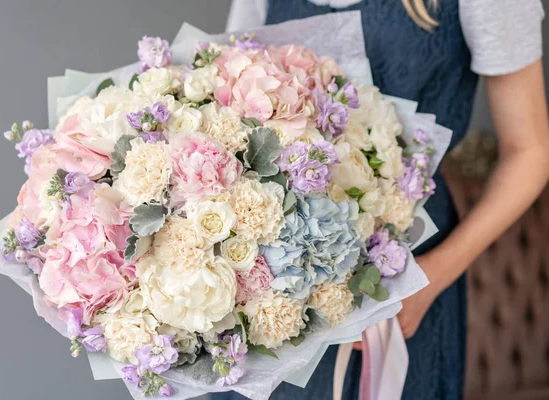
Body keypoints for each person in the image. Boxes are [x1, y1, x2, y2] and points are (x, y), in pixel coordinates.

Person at [220, 0, 549, 399]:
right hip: (263, 277)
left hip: (399, 268)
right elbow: (225, 94)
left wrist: (427, 280)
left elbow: (531, 151)